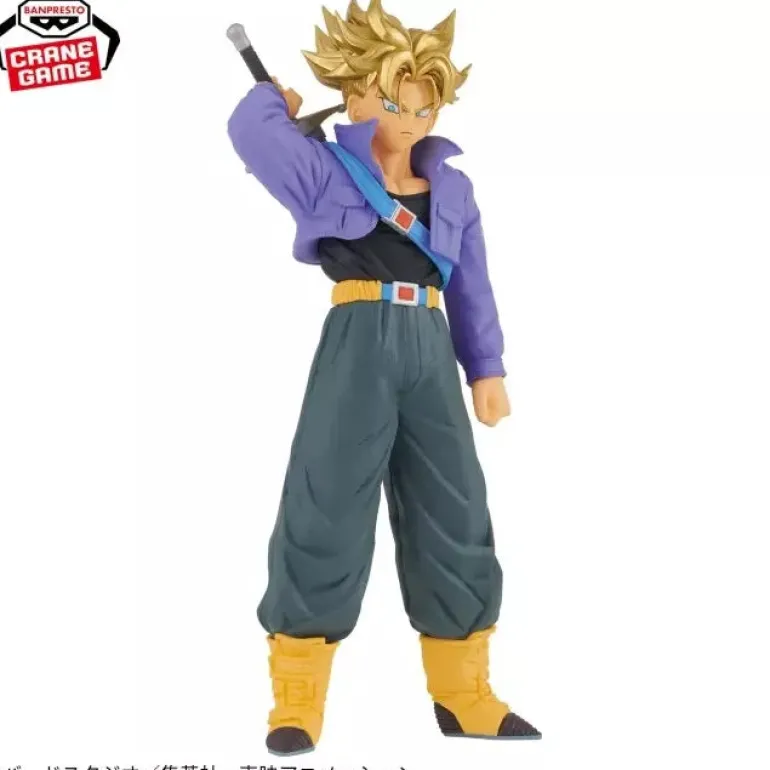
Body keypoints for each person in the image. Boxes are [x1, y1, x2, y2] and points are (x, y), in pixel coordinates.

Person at [227, 0, 540, 756]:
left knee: (454, 505)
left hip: (429, 343)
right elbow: (250, 134)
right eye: (396, 100)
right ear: (355, 94)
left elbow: (472, 283)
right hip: (358, 338)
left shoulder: (453, 190)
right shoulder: (323, 170)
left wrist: (486, 367)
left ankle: (465, 692)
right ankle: (297, 697)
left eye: (426, 103)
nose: (412, 117)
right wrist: (273, 101)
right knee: (326, 501)